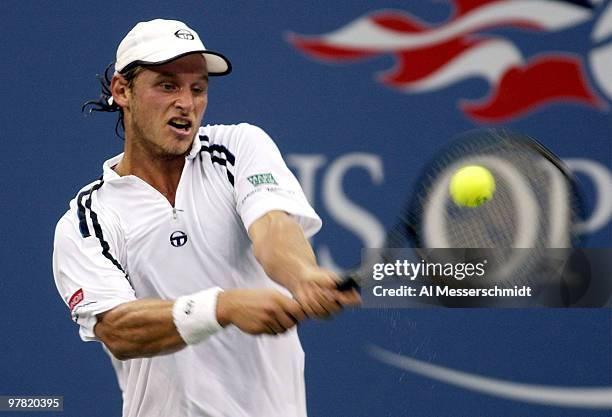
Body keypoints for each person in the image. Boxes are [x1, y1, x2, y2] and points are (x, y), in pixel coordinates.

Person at [52, 19, 360, 417]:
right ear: (122, 91)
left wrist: (302, 275)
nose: (187, 102)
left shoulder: (239, 147)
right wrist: (222, 308)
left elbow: (272, 227)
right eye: (168, 86)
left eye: (198, 88)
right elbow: (117, 328)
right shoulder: (87, 220)